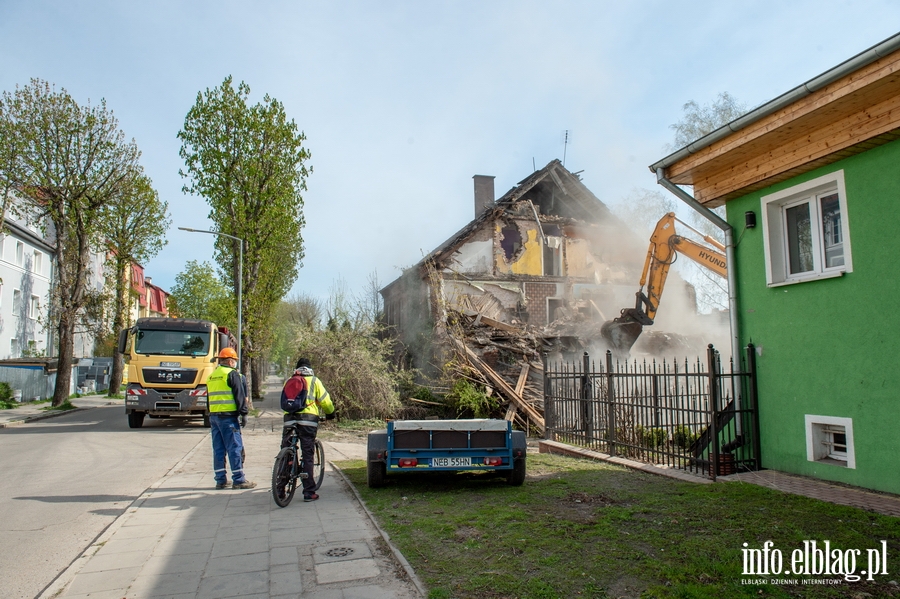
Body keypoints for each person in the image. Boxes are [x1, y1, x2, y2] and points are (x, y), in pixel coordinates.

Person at [281, 357, 335, 502]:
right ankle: (309, 492)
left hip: (290, 419)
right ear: (309, 368)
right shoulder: (314, 381)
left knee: (286, 449)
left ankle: (280, 489)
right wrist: (330, 413)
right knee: (307, 453)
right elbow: (326, 401)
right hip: (308, 421)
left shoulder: (290, 380)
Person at [208, 347, 256, 490]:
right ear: (230, 361)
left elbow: (208, 398)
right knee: (234, 447)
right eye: (234, 361)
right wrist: (244, 413)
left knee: (218, 449)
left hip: (214, 417)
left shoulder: (212, 376)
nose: (235, 363)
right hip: (228, 418)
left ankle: (220, 479)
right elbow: (239, 396)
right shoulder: (232, 374)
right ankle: (239, 479)